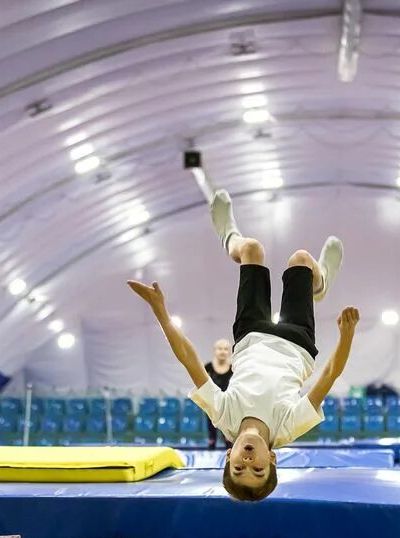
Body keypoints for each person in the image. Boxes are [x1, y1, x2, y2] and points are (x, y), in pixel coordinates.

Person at [128, 189, 357, 501]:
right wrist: (347, 337)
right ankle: (322, 281)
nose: (248, 463)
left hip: (250, 335)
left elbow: (190, 361)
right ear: (272, 459)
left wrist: (162, 314)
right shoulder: (288, 426)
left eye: (239, 469)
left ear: (228, 457)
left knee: (251, 249)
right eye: (258, 470)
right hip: (297, 343)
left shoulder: (224, 416)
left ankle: (228, 235)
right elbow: (329, 375)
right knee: (301, 259)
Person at [204, 338, 233, 449]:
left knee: (228, 437)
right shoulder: (208, 368)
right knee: (212, 436)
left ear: (229, 352)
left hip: (227, 406)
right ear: (215, 351)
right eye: (220, 348)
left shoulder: (233, 369)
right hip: (212, 405)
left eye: (226, 349)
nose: (222, 351)